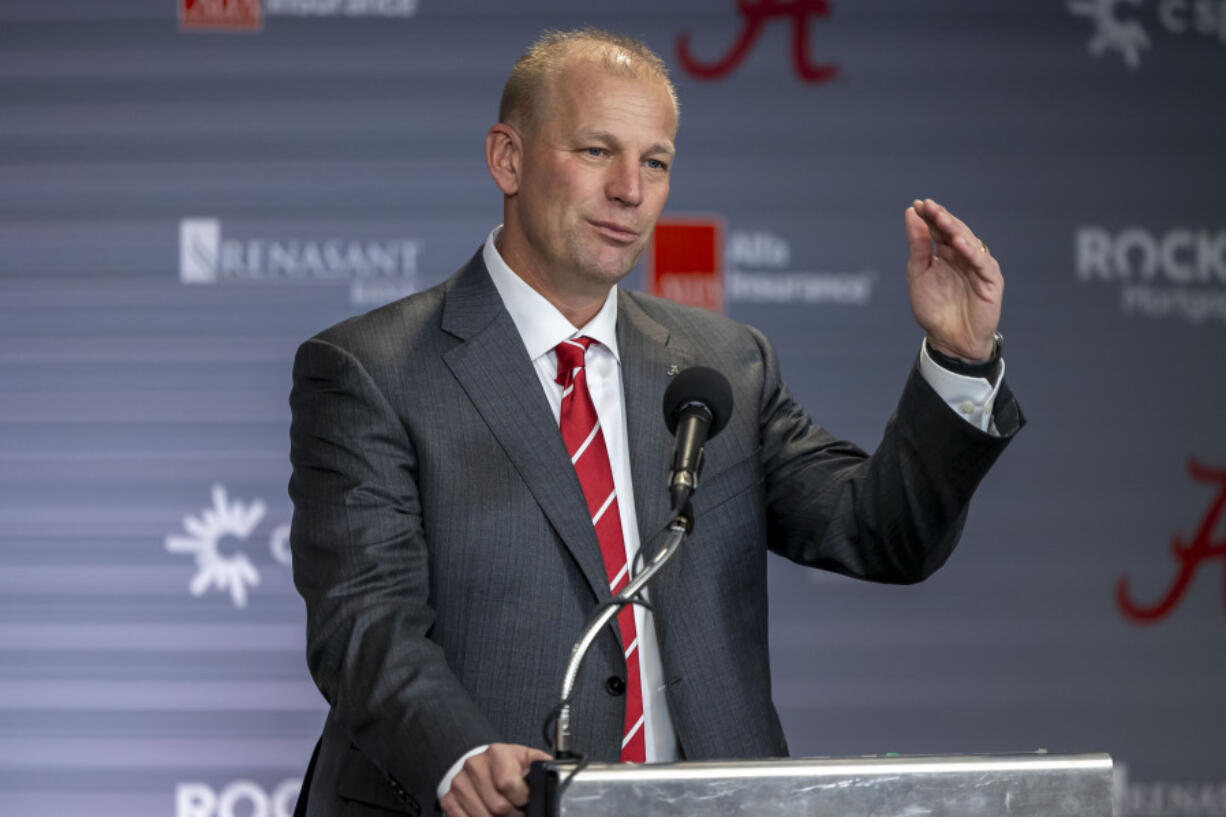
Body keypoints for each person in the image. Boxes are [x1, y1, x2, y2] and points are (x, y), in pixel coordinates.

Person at [287, 28, 1022, 817]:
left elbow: (884, 532)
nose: (631, 191)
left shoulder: (724, 364)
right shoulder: (374, 367)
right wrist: (460, 752)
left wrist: (957, 357)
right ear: (508, 158)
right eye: (598, 151)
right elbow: (366, 621)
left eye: (657, 162)